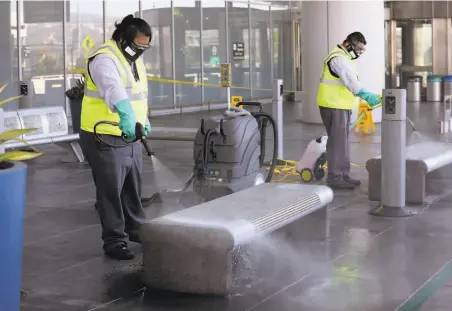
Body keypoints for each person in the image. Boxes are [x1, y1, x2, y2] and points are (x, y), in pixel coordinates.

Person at [79, 15, 152, 260]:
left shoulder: (132, 59)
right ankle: (114, 240)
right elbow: (114, 89)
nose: (138, 51)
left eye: (144, 48)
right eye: (135, 46)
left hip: (130, 134)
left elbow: (138, 93)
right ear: (122, 38)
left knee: (132, 186)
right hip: (104, 134)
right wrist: (127, 116)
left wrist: (144, 118)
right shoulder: (104, 58)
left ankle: (136, 228)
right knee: (111, 189)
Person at [317, 32, 380, 190]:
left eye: (361, 49)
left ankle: (343, 174)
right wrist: (366, 95)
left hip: (340, 105)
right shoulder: (338, 58)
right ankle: (335, 177)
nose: (358, 52)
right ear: (348, 44)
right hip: (333, 105)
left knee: (342, 142)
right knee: (337, 142)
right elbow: (351, 82)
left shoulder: (345, 58)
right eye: (357, 48)